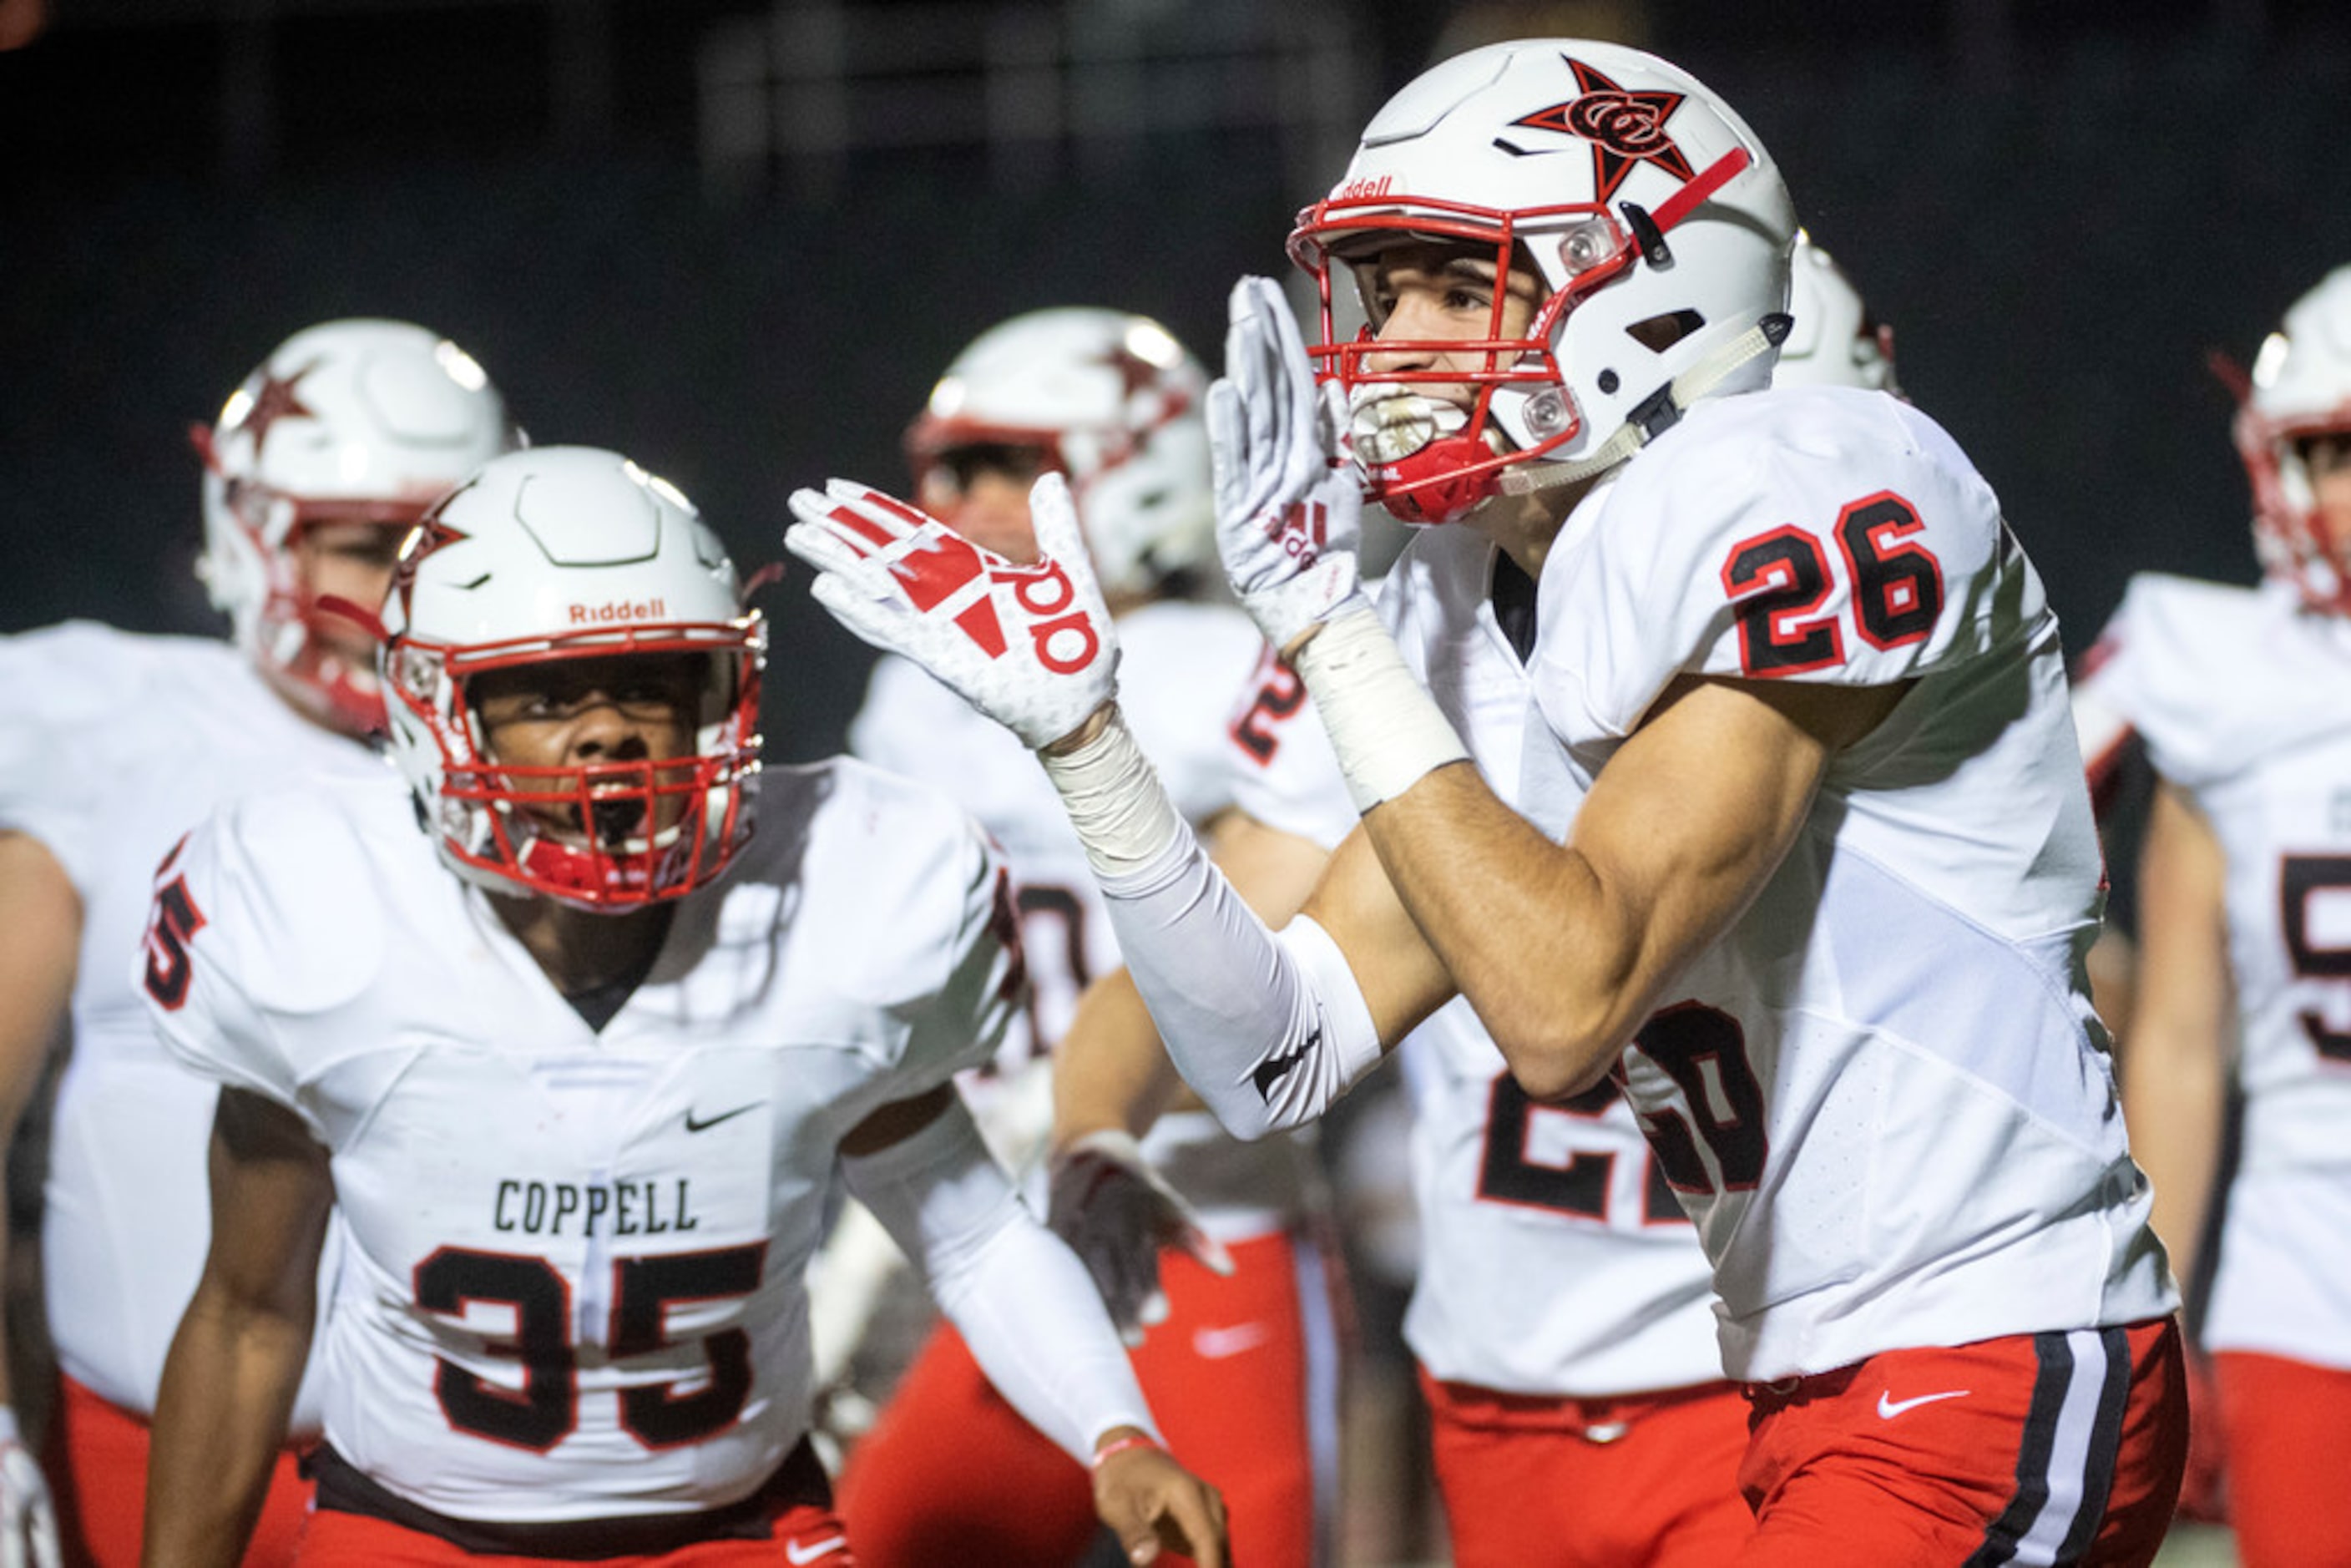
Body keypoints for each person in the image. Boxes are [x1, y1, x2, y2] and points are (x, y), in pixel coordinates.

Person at [786, 38, 2187, 1565]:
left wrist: (1333, 632)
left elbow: (1563, 999)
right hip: (1798, 1369)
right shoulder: (1468, 584)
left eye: (1460, 288)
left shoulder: (1812, 471)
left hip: (1988, 1342)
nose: (1395, 341)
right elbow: (1276, 1052)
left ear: (1652, 282)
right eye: (1384, 293)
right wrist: (1090, 747)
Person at [136, 445, 1227, 1568]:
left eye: (653, 681)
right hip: (408, 1532)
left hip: (737, 1533)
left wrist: (1117, 1434)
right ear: (432, 708)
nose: (609, 733)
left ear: (725, 694)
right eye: (547, 691)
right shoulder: (319, 910)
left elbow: (975, 1234)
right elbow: (247, 1311)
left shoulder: (843, 901)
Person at [1044, 235, 1904, 1568]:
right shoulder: (1429, 626)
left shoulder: (1848, 642)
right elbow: (1249, 994)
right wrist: (1093, 1123)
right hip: (1500, 1375)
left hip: (1783, 1360)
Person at [826, 308, 1339, 1567]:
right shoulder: (918, 685)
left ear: (1144, 466)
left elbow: (1285, 928)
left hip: (1210, 1224)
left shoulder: (1227, 664)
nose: (974, 503)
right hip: (1009, 1226)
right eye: (958, 469)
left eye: (1014, 466)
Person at [0, 318, 517, 1568]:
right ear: (251, 532)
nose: (405, 585)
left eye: (438, 543)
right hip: (147, 1448)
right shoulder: (114, 726)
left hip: (482, 1473)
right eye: (364, 543)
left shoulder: (557, 745)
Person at [2069, 264, 2351, 1568]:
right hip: (2309, 1287)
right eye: (2329, 452)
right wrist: (2156, 1295)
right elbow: (2182, 1038)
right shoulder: (2226, 681)